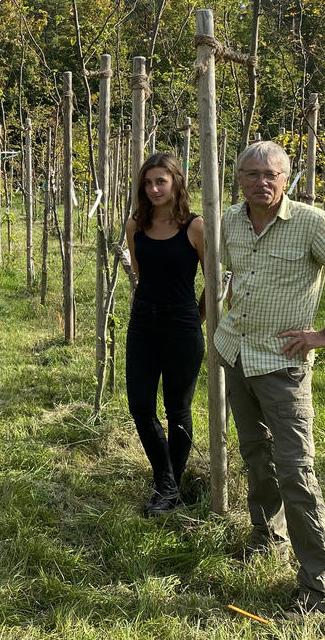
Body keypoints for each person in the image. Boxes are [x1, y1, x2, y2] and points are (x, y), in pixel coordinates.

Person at [215, 141, 325, 618]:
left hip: (282, 366)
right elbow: (222, 271)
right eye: (251, 174)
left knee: (296, 470)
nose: (261, 182)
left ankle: (319, 585)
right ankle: (267, 538)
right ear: (238, 178)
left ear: (287, 179)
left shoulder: (311, 222)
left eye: (272, 174)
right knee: (254, 453)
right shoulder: (228, 219)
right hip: (235, 353)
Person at [124, 153, 206, 517]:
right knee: (141, 407)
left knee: (177, 410)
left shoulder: (195, 226)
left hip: (182, 325)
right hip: (142, 323)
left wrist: (196, 317)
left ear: (176, 183)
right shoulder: (135, 225)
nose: (154, 189)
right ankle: (167, 480)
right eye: (148, 182)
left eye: (161, 181)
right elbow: (140, 273)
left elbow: (218, 279)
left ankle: (169, 487)